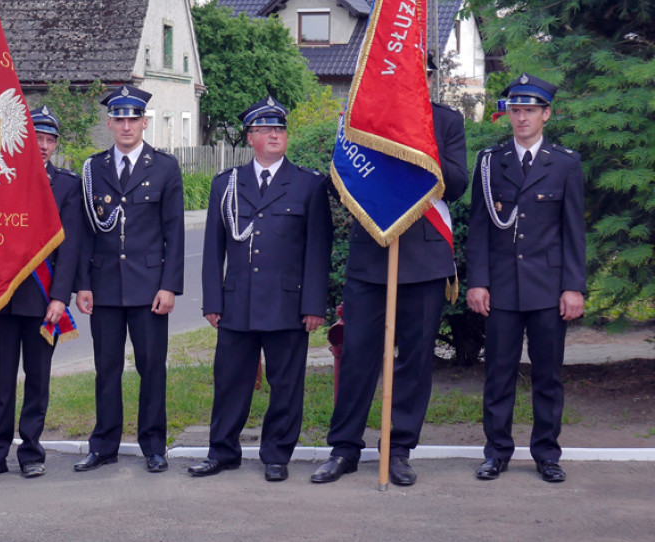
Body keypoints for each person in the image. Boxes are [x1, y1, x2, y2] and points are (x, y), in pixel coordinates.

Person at [310, 85, 468, 486]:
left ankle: (398, 450)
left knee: (414, 361)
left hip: (426, 260)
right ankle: (344, 448)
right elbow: (338, 182)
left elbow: (457, 184)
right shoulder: (365, 116)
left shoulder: (446, 121)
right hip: (372, 257)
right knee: (359, 356)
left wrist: (418, 140)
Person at [188, 97, 333, 482]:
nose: (275, 135)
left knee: (285, 384)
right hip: (237, 303)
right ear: (250, 136)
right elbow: (213, 249)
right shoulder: (227, 184)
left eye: (280, 129)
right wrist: (212, 301)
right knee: (230, 381)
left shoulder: (308, 185)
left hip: (288, 303)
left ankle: (276, 455)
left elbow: (318, 250)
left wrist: (313, 304)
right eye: (266, 129)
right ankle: (222, 451)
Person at [466, 73, 585, 483]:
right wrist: (477, 281)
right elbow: (479, 227)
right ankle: (496, 451)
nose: (521, 118)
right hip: (500, 288)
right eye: (515, 110)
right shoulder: (489, 162)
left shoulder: (565, 163)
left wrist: (573, 287)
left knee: (548, 376)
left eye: (529, 111)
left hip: (549, 289)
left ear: (546, 115)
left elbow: (573, 232)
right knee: (498, 373)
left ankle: (547, 454)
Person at [0, 106, 83, 480]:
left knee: (37, 379)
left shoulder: (66, 185)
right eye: (38, 138)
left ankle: (31, 452)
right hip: (2, 298)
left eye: (50, 140)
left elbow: (70, 247)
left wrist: (60, 296)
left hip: (42, 298)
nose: (44, 146)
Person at [74, 86, 185, 474]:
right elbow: (85, 232)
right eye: (118, 119)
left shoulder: (165, 167)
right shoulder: (93, 169)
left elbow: (174, 232)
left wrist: (169, 286)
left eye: (132, 119)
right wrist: (83, 284)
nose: (125, 126)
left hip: (149, 287)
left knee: (152, 368)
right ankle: (104, 443)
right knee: (106, 368)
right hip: (104, 287)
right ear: (109, 123)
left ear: (143, 122)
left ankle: (154, 446)